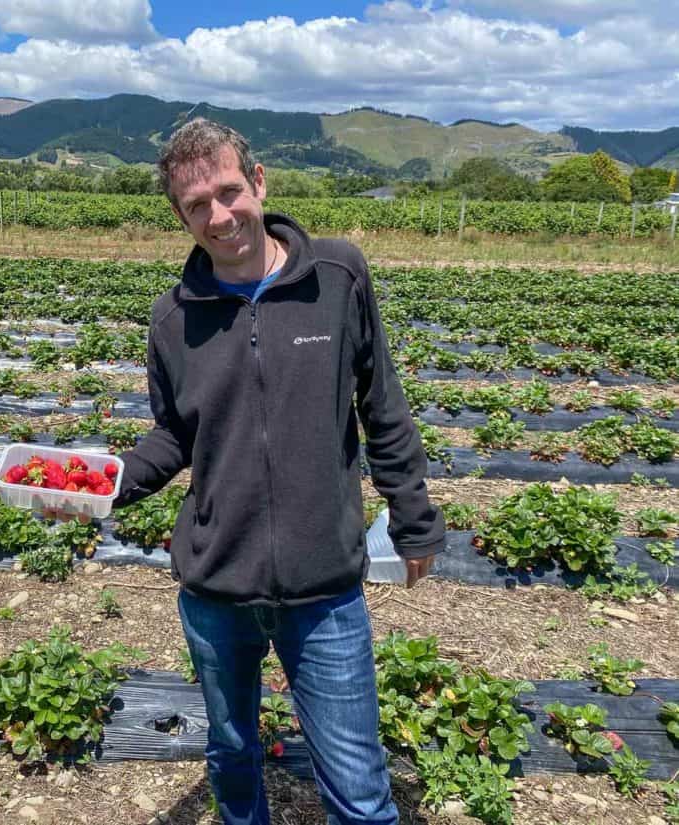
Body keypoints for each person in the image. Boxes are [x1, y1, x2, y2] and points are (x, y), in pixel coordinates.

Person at [111, 119, 446, 825]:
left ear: (259, 182)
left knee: (357, 787)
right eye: (196, 205)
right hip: (216, 586)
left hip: (322, 585)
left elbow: (380, 403)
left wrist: (413, 517)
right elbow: (175, 435)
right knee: (232, 754)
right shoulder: (173, 319)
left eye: (228, 191)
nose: (219, 215)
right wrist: (107, 481)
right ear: (180, 215)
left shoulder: (336, 276)